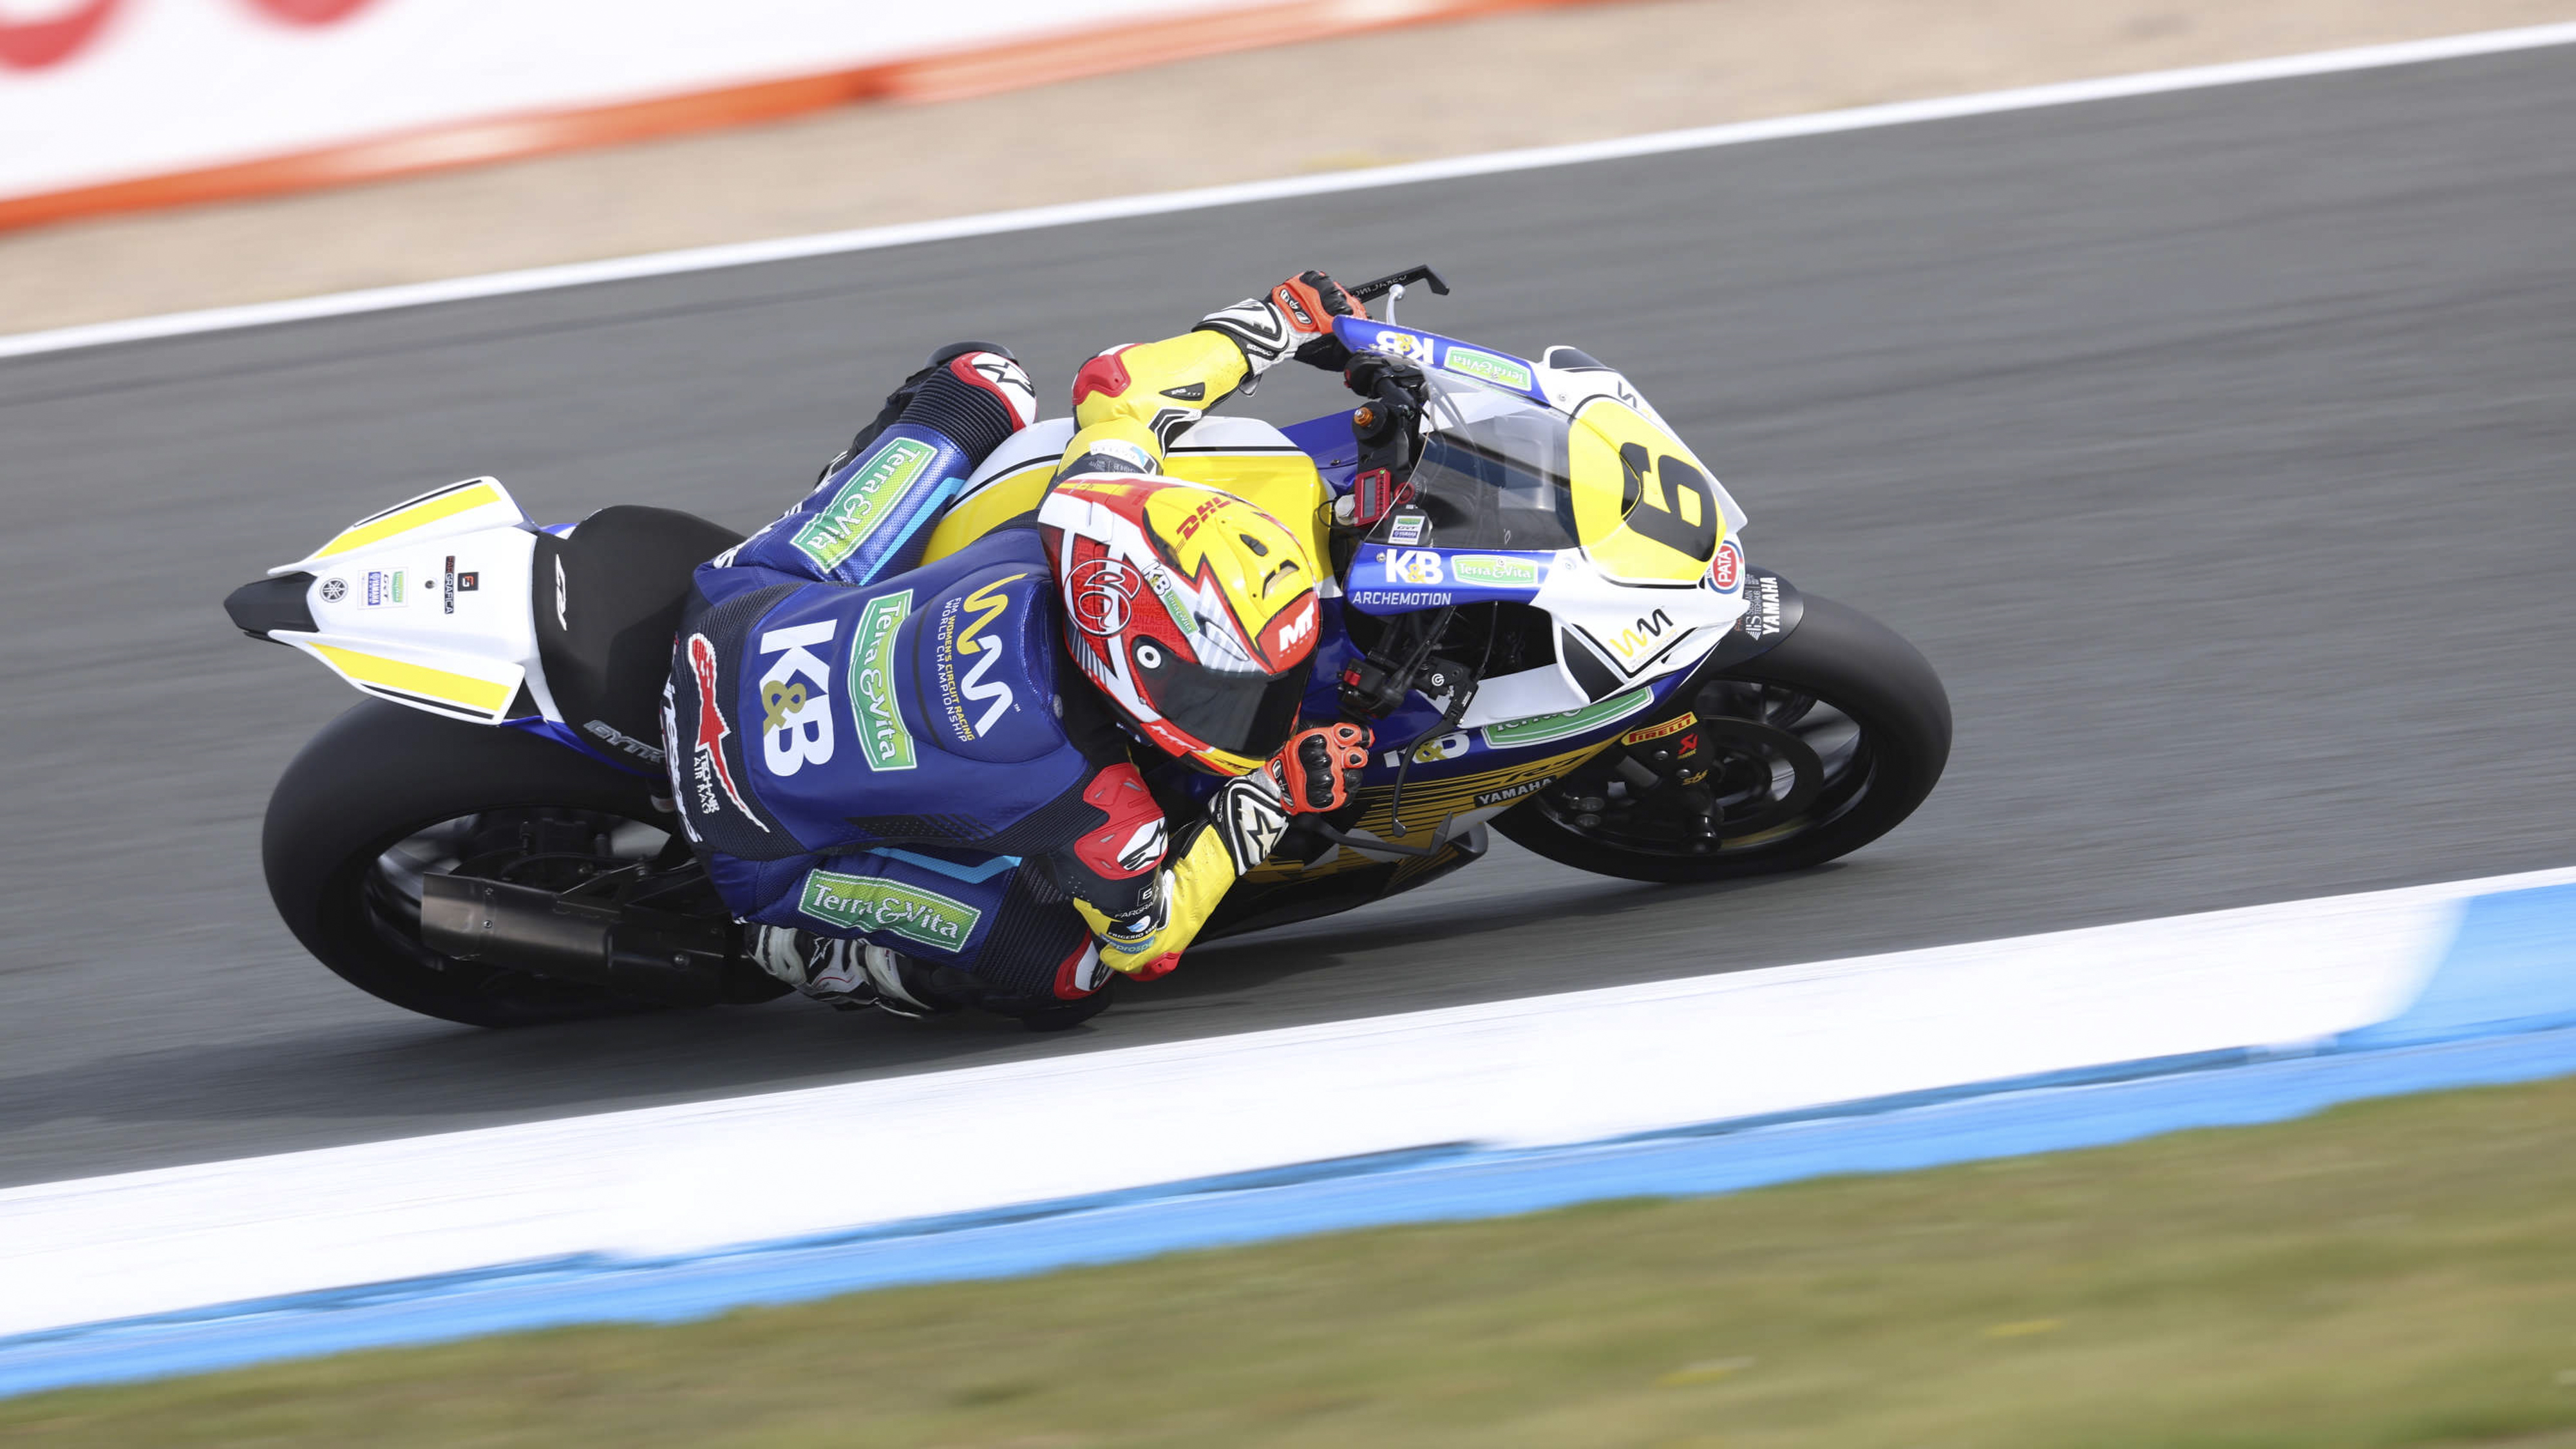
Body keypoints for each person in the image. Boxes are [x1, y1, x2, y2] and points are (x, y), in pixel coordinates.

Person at [661, 272, 1376, 1027]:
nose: (1251, 710)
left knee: (984, 381)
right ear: (1135, 660)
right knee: (1073, 972)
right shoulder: (1109, 810)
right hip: (753, 842)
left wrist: (1280, 318)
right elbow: (1145, 942)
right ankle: (815, 950)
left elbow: (1119, 386)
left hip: (729, 617)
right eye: (1225, 690)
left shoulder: (1086, 507)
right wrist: (1270, 798)